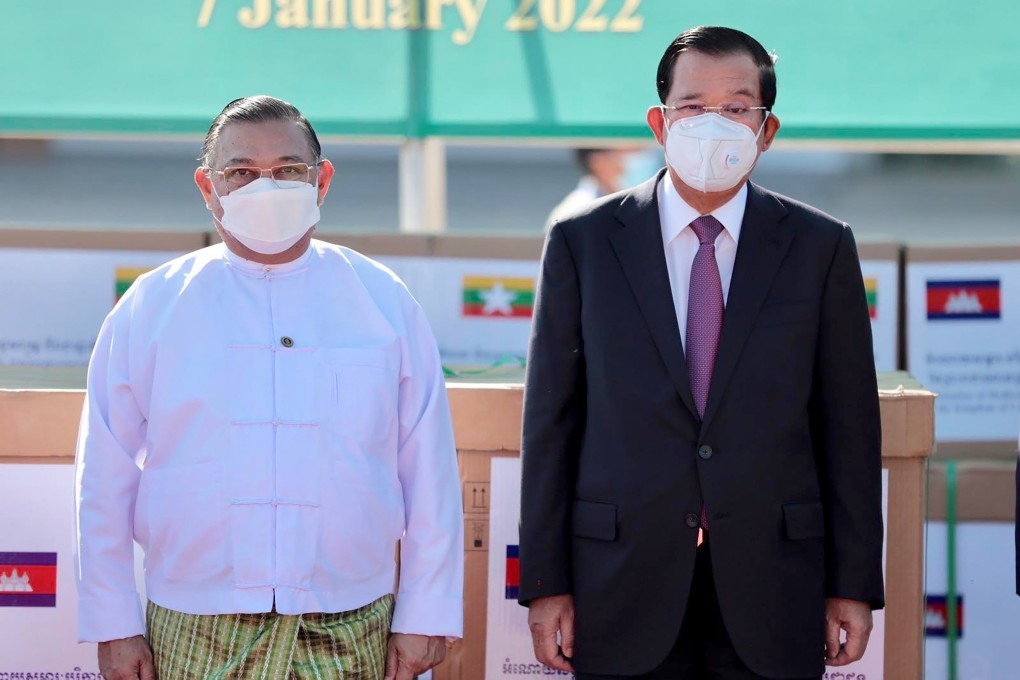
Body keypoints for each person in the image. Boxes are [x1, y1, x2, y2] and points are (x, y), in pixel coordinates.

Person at [519, 26, 884, 680]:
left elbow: (848, 426)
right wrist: (545, 585)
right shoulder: (585, 243)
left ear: (767, 131)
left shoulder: (819, 247)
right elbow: (551, 422)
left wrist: (853, 584)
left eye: (737, 108)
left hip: (775, 582)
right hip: (620, 578)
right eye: (692, 107)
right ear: (660, 122)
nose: (712, 124)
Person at [73, 95, 463, 680]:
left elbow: (428, 468)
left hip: (351, 618)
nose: (266, 187)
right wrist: (113, 624)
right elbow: (103, 477)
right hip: (194, 621)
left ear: (322, 179)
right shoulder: (152, 306)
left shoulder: (381, 300)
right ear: (208, 187)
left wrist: (426, 611)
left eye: (287, 171)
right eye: (241, 173)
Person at [545, 149, 628, 229]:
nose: (622, 168)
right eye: (617, 156)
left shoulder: (619, 198)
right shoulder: (576, 209)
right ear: (596, 161)